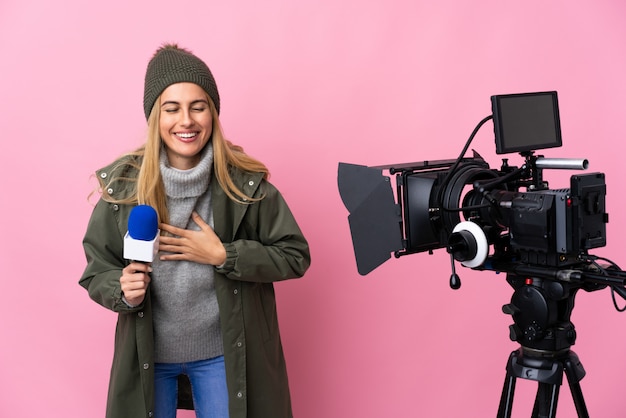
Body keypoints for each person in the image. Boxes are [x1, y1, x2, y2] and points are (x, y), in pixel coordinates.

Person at [79, 43, 311, 418]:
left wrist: (225, 255)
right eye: (172, 109)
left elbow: (295, 255)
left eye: (197, 106)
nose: (185, 120)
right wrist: (121, 288)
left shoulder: (244, 185)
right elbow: (96, 269)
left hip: (223, 354)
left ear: (213, 113)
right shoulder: (124, 186)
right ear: (156, 117)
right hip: (149, 355)